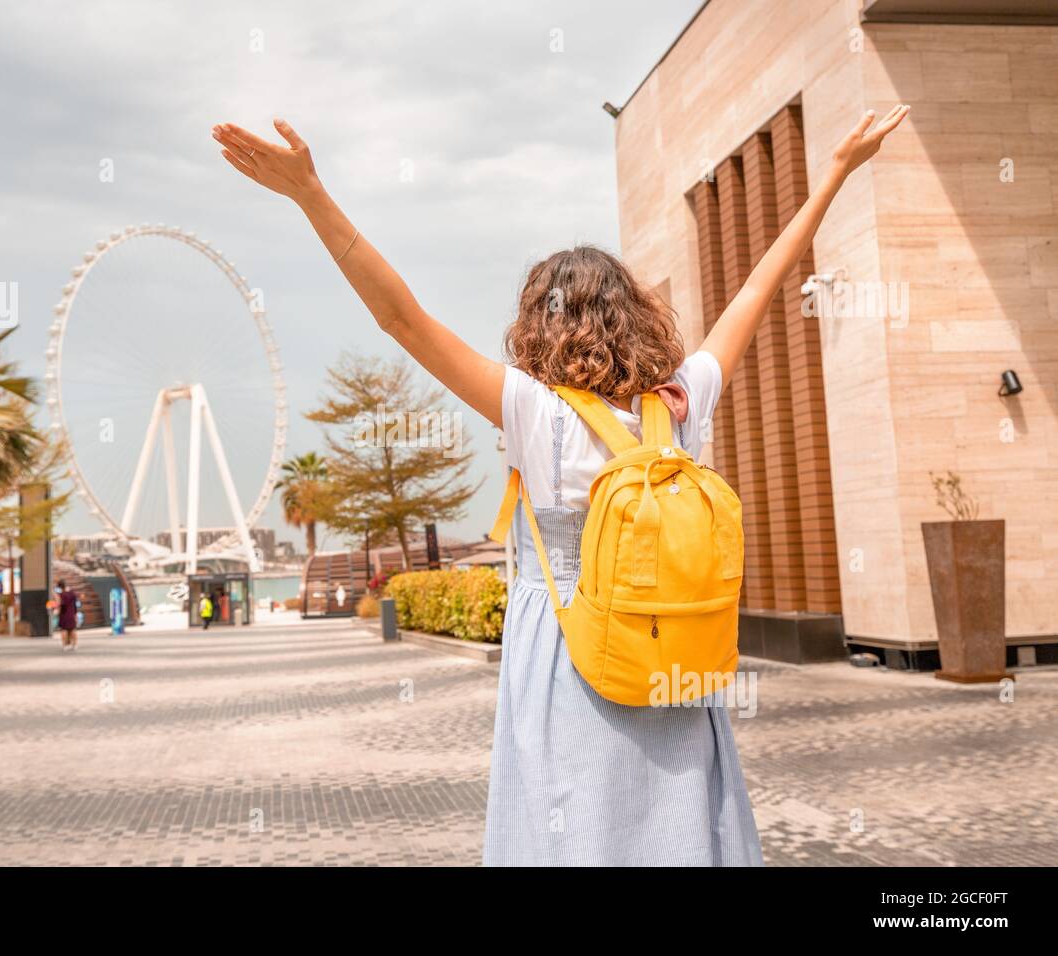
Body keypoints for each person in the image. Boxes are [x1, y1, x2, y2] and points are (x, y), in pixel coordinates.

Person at [211, 104, 909, 866]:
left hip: (572, 653)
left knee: (572, 827)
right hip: (671, 651)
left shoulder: (534, 411)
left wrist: (312, 193)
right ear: (637, 318)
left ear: (540, 324)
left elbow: (401, 320)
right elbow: (754, 295)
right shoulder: (678, 404)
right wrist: (835, 172)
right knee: (674, 826)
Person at [56, 579, 80, 652]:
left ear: (60, 587)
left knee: (64, 630)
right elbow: (75, 605)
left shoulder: (61, 595)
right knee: (73, 629)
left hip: (64, 614)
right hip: (72, 613)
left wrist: (57, 610)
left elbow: (60, 605)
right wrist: (75, 614)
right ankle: (75, 645)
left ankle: (65, 645)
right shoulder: (72, 593)